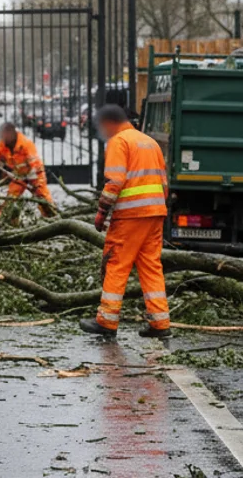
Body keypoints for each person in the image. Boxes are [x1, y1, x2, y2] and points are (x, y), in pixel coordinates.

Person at [80, 105, 171, 339]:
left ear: (110, 123)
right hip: (155, 213)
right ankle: (160, 323)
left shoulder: (118, 142)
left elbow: (114, 182)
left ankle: (107, 321)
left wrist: (101, 213)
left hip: (131, 216)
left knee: (116, 264)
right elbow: (164, 184)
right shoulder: (150, 143)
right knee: (151, 267)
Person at [0, 122, 55, 224]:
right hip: (18, 175)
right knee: (11, 198)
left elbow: (35, 164)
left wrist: (34, 185)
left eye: (5, 134)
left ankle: (51, 216)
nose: (3, 137)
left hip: (34, 174)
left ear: (12, 133)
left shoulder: (25, 144)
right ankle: (7, 219)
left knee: (42, 197)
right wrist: (1, 168)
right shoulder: (2, 144)